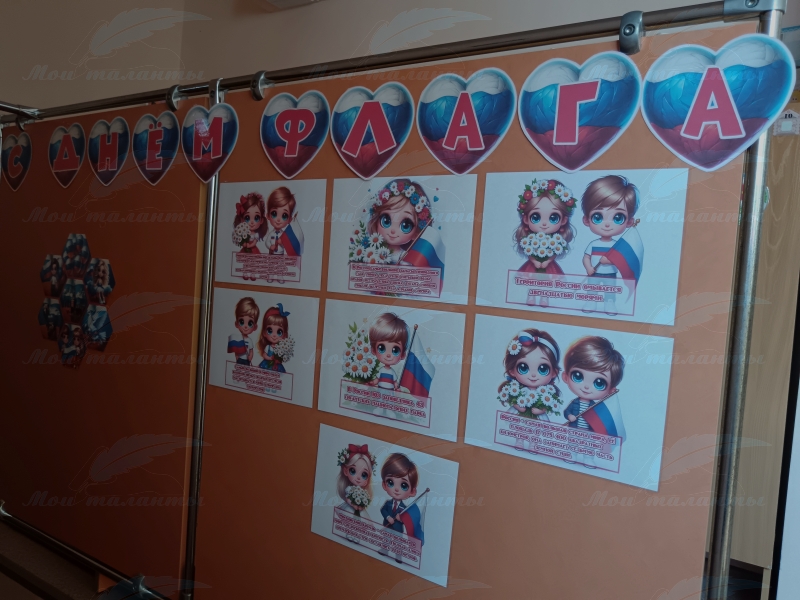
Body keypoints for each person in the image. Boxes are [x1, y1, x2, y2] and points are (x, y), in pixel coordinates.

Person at [580, 175, 640, 315]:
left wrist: (610, 260)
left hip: (610, 274)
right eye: (598, 217)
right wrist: (588, 267)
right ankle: (591, 301)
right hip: (594, 272)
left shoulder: (617, 246)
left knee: (609, 290)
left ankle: (609, 303)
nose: (607, 224)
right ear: (586, 220)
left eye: (618, 218)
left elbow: (621, 259)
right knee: (592, 289)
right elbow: (586, 257)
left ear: (629, 222)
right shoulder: (593, 244)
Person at [379, 453, 423, 563]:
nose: (396, 489)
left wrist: (401, 518)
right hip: (388, 526)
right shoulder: (388, 503)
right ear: (384, 484)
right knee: (386, 539)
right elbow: (382, 510)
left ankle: (398, 557)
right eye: (390, 482)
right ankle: (384, 550)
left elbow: (408, 519)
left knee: (398, 543)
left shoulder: (405, 509)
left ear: (412, 491)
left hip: (398, 529)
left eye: (404, 485)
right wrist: (388, 517)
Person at [233, 192, 269, 280]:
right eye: (247, 218)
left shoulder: (255, 234)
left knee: (253, 263)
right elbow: (242, 240)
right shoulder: (243, 232)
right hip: (245, 250)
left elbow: (254, 242)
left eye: (256, 218)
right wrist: (243, 244)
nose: (252, 222)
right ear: (242, 220)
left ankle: (253, 274)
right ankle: (245, 273)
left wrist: (248, 245)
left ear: (261, 220)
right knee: (246, 262)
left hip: (253, 250)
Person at [367, 313, 408, 391]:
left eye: (395, 350)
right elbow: (377, 380)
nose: (388, 355)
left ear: (402, 355)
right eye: (381, 348)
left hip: (389, 395)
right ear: (373, 350)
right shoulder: (381, 370)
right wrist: (372, 382)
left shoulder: (392, 372)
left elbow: (395, 383)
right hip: (380, 394)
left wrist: (397, 388)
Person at [257, 304, 289, 371]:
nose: (274, 335)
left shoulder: (281, 348)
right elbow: (264, 354)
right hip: (267, 365)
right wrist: (269, 358)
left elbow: (282, 358)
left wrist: (278, 360)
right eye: (270, 330)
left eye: (279, 332)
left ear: (284, 335)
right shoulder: (268, 347)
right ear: (264, 333)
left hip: (277, 367)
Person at [227, 297, 259, 366]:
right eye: (241, 322)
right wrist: (237, 356)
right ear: (236, 324)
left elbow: (251, 351)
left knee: (246, 371)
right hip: (240, 359)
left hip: (246, 360)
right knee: (238, 370)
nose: (245, 326)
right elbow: (236, 350)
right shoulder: (237, 339)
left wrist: (250, 356)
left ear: (255, 327)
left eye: (250, 323)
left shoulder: (249, 340)